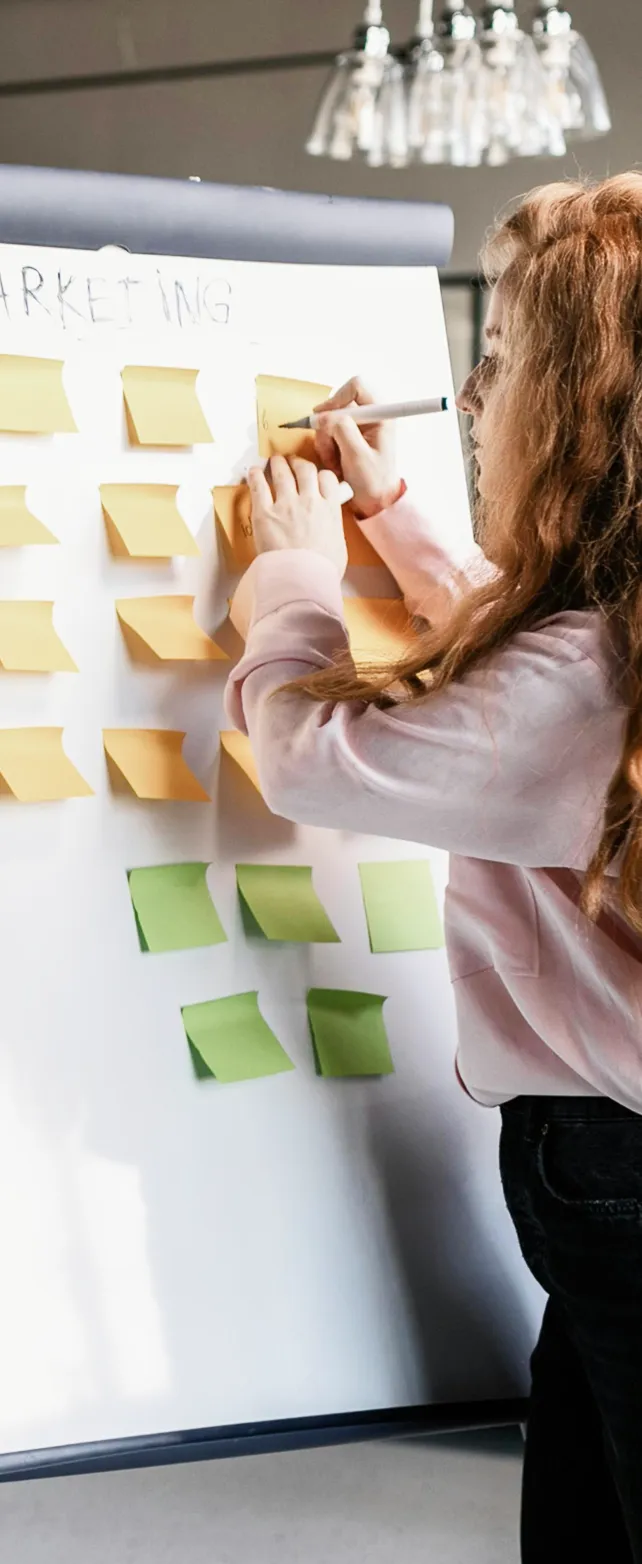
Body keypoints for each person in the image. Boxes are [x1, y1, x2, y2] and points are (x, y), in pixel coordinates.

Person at [224, 173, 642, 1562]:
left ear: (577, 408)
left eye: (503, 358)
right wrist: (391, 517)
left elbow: (315, 760)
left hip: (611, 1163)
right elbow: (515, 686)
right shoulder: (606, 642)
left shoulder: (576, 678)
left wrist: (289, 584)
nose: (470, 396)